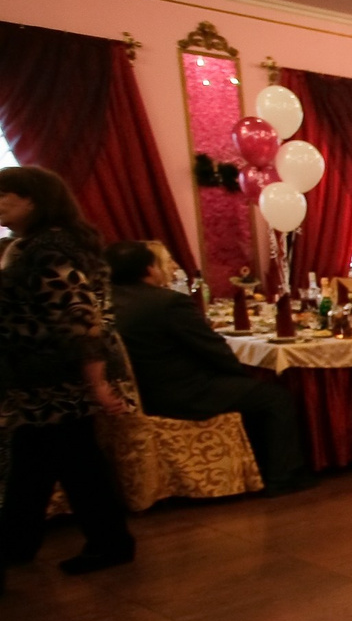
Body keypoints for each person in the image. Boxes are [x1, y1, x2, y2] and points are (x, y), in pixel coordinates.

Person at [0, 166, 136, 576]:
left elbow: (80, 319)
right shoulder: (33, 245)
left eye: (4, 195)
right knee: (35, 462)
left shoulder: (51, 250)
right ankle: (16, 543)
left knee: (76, 464)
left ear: (33, 200)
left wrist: (96, 384)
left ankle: (110, 543)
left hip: (57, 376)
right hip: (40, 376)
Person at [106, 240, 313, 497]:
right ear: (150, 269)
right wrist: (241, 373)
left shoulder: (106, 302)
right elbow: (212, 348)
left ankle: (260, 464)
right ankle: (283, 476)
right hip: (182, 393)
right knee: (275, 398)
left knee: (252, 391)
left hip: (141, 393)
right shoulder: (167, 302)